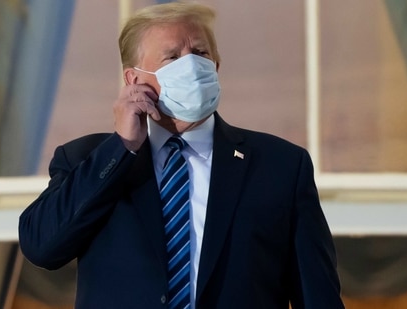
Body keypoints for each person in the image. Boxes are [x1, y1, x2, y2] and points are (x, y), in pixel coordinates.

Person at [18, 2, 344, 308]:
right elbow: (41, 246)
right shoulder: (86, 159)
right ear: (134, 79)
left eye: (200, 53)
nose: (191, 64)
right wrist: (122, 148)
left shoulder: (280, 166)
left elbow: (317, 295)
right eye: (172, 57)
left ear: (216, 66)